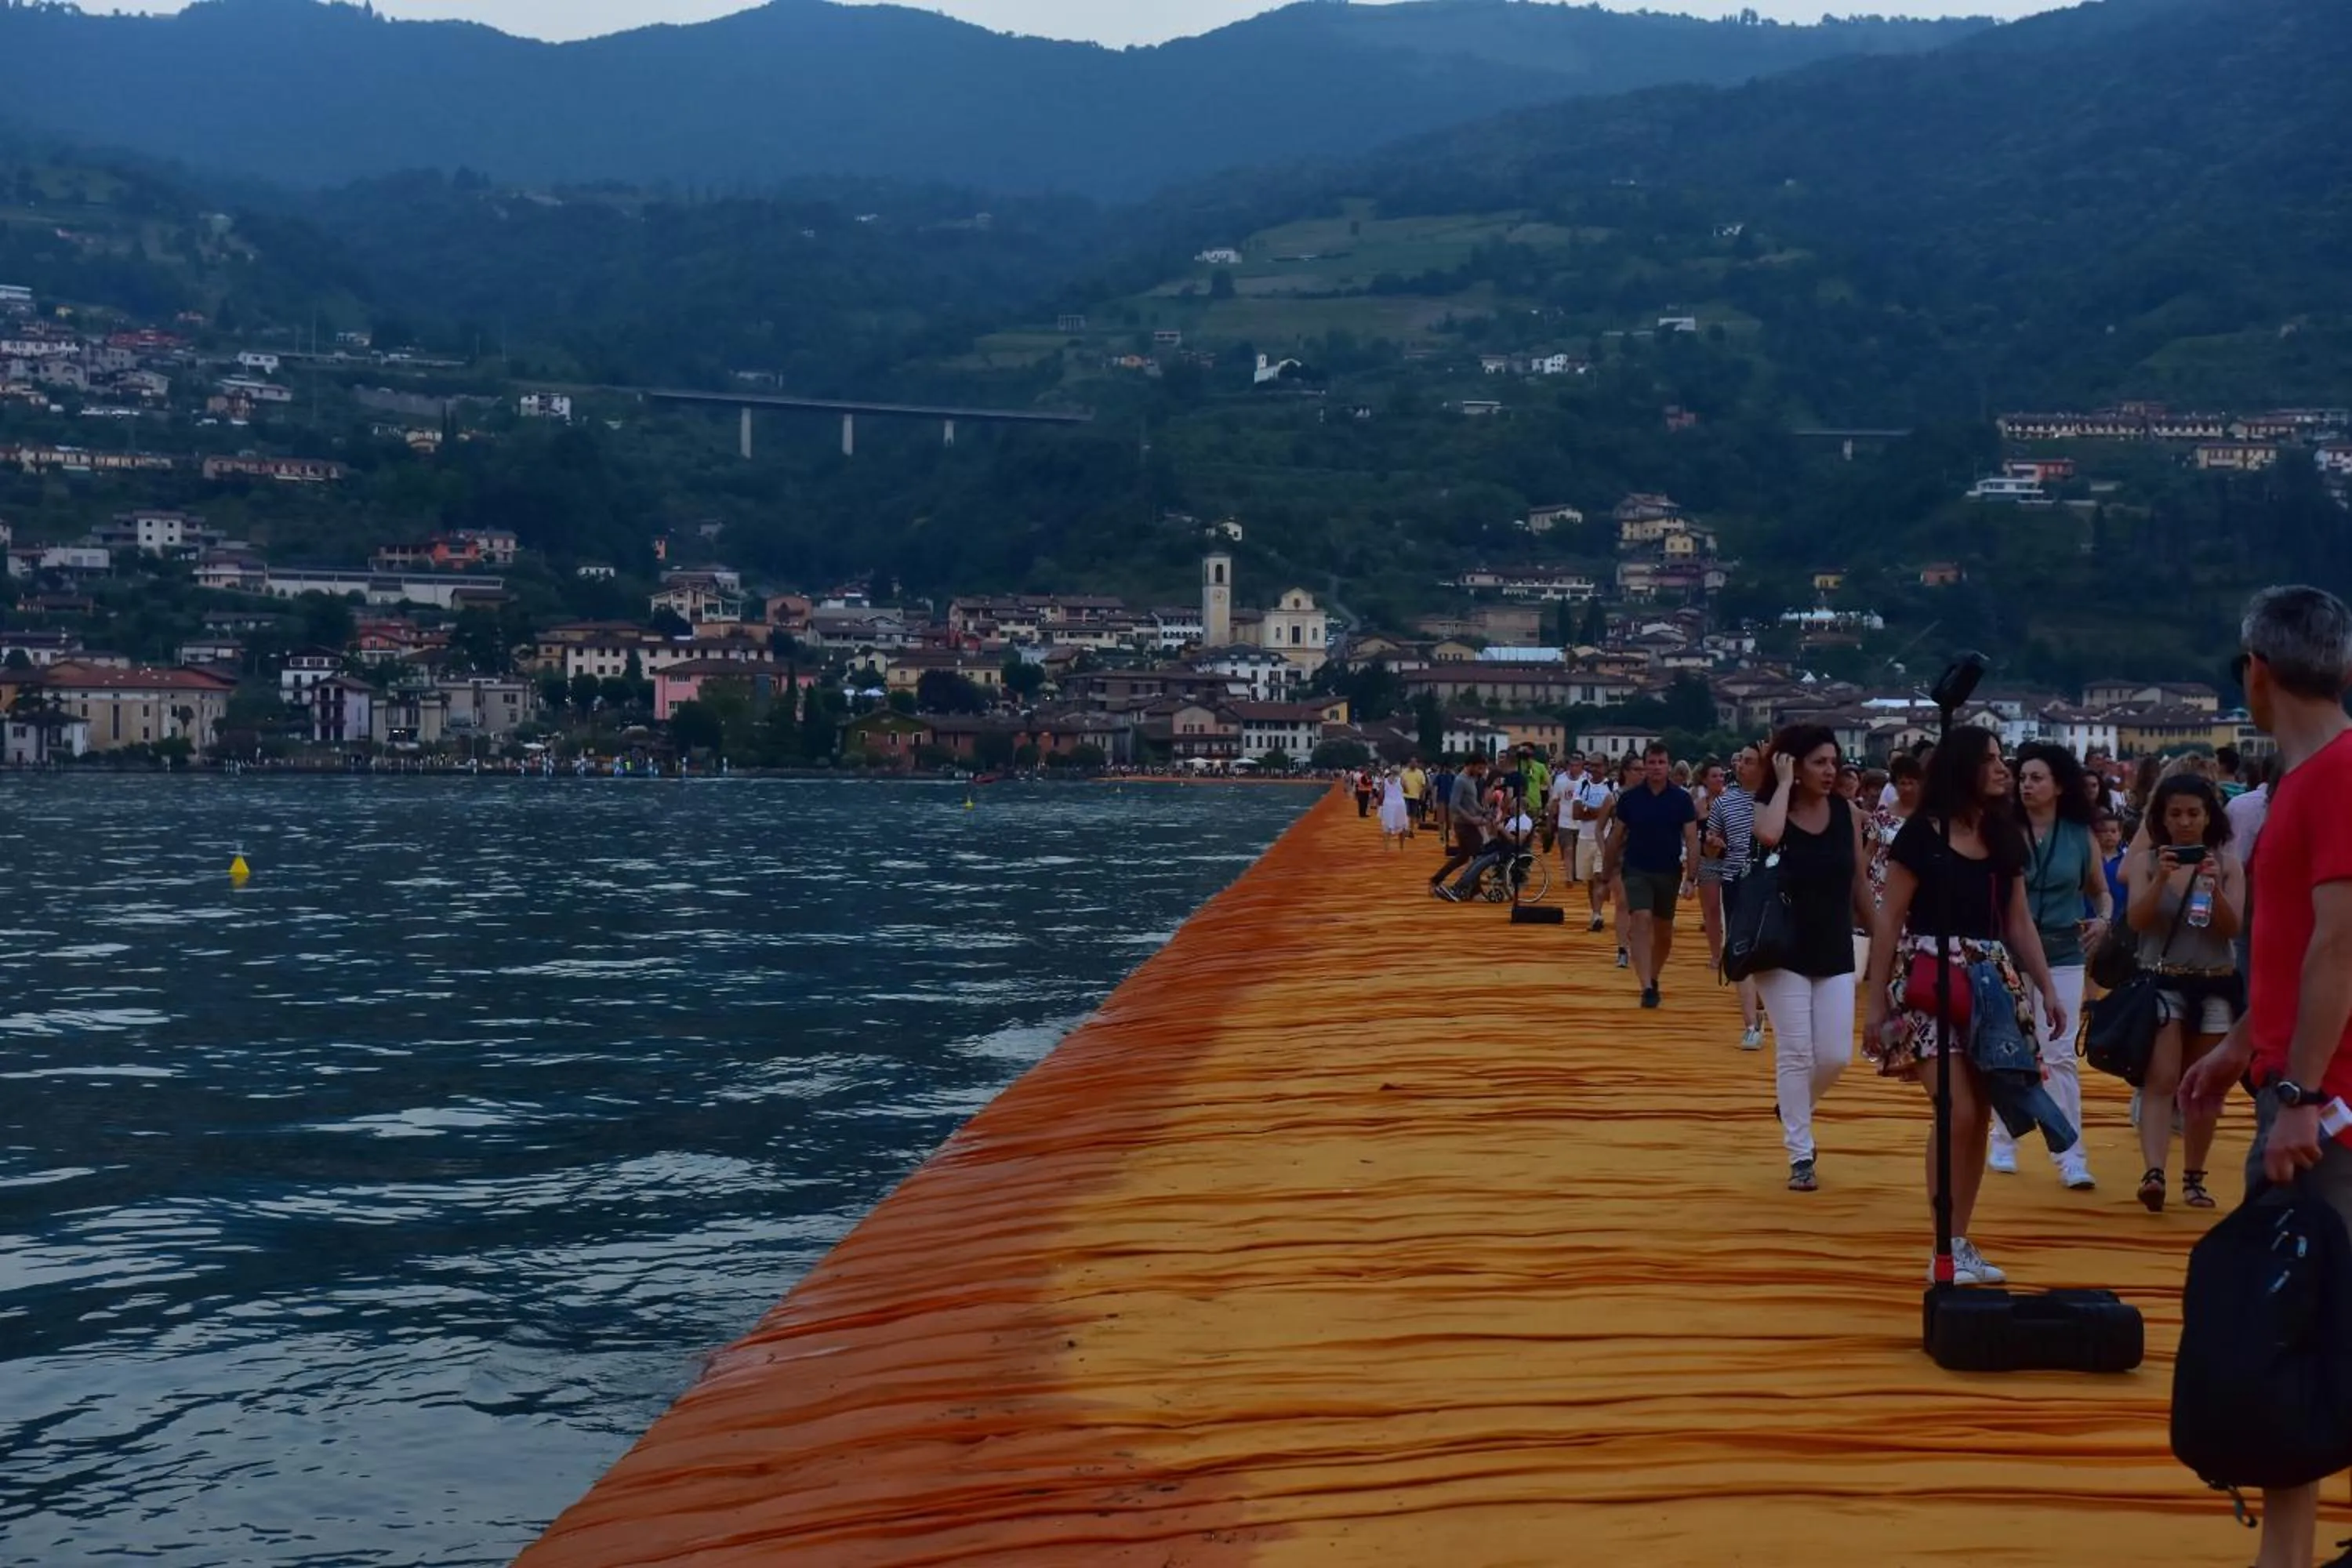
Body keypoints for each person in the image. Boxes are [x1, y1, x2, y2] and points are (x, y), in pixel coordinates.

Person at [2178, 586, 2352, 1568]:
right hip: (2305, 1084)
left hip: (2327, 1109)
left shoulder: (2333, 780)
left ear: (2256, 668)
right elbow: (2297, 954)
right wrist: (2244, 1039)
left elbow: (2341, 948)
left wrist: (2301, 1096)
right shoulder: (2309, 782)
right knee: (2306, 1332)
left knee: (2299, 1329)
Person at [1864, 725, 2070, 1288]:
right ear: (1964, 769)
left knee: (1979, 1113)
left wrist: (2047, 986)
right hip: (1928, 976)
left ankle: (1955, 1241)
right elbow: (1889, 921)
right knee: (1958, 1110)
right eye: (1993, 761)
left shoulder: (2004, 836)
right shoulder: (1919, 836)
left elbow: (2019, 920)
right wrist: (1875, 1000)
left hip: (1988, 981)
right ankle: (1944, 1244)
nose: (2004, 770)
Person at [1751, 726, 1874, 1192]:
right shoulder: (1769, 806)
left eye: (1833, 762)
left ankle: (1794, 1104)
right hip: (1780, 945)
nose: (1830, 771)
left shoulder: (1849, 815)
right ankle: (1800, 1152)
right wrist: (1781, 784)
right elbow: (1767, 835)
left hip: (1834, 944)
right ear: (1795, 765)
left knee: (1836, 1054)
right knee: (1797, 1051)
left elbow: (1859, 884)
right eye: (1819, 762)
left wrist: (1884, 941)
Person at [1989, 742, 2111, 1190]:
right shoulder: (2000, 829)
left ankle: (2071, 1155)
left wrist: (2104, 919)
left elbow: (2100, 890)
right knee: (2007, 1051)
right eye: (2022, 778)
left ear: (2059, 786)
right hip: (2007, 949)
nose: (2026, 785)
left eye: (2036, 778)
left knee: (2059, 1055)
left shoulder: (2080, 835)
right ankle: (2004, 1140)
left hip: (2062, 949)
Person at [2124, 773, 2245, 1212]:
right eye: (2175, 813)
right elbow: (2137, 921)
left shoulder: (2227, 863)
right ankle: (2154, 1171)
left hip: (2215, 981)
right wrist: (2162, 880)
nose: (2185, 822)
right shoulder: (2147, 862)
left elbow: (2233, 929)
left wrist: (2211, 888)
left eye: (2194, 813)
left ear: (2209, 816)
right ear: (2161, 817)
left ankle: (2194, 1176)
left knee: (2204, 1087)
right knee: (2161, 1079)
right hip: (2162, 978)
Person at [1602, 742, 1700, 1009]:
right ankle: (1646, 986)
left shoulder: (1681, 799)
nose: (1656, 767)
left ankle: (1654, 976)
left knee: (1664, 932)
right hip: (1636, 869)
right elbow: (1616, 837)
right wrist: (1606, 872)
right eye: (1652, 762)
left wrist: (1692, 877)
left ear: (1668, 765)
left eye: (1661, 762)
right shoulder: (1631, 799)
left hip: (1669, 871)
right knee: (1641, 919)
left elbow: (1692, 839)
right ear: (1644, 766)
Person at [1700, 748, 1766, 1048]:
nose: (1740, 766)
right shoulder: (1724, 802)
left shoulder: (1780, 801)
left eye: (1749, 761)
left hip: (1773, 884)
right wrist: (1712, 844)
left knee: (1767, 950)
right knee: (1740, 951)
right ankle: (1750, 1024)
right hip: (1735, 881)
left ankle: (1763, 1007)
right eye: (1738, 761)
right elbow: (1710, 848)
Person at [1429, 755, 1495, 900]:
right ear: (1470, 765)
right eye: (1480, 768)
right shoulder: (1460, 780)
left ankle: (1436, 880)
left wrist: (1483, 811)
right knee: (1479, 857)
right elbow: (1454, 805)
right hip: (1464, 825)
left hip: (1469, 824)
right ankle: (1475, 891)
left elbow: (1471, 802)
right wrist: (1472, 818)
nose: (1481, 772)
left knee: (1463, 857)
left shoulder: (1471, 779)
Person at [1866, 753, 1922, 909]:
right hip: (1879, 885)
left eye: (1911, 783)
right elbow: (1869, 851)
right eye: (1902, 783)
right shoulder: (1882, 814)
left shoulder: (1927, 818)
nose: (1907, 788)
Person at [1565, 754, 1614, 921]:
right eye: (1591, 766)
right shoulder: (1582, 785)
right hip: (1585, 837)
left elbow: (1612, 814)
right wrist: (1602, 811)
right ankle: (1595, 911)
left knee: (1599, 875)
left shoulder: (1611, 786)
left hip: (1605, 837)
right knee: (1590, 880)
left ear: (1606, 767)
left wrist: (1590, 810)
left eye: (1598, 765)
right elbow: (1576, 813)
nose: (1594, 769)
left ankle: (1597, 914)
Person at [2095, 810, 2129, 916]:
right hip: (2092, 914)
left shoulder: (2126, 861)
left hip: (2119, 915)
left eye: (2113, 831)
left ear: (2120, 834)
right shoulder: (2091, 860)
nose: (2109, 834)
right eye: (2104, 831)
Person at [1377, 767, 1411, 848]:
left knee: (1387, 826)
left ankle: (1386, 846)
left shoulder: (1385, 781)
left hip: (1388, 805)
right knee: (1402, 825)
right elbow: (1407, 790)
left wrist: (1380, 804)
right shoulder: (1401, 780)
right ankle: (1401, 846)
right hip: (1400, 805)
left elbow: (1381, 795)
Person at [1400, 757, 1429, 830]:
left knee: (1413, 814)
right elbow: (1400, 783)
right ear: (1409, 763)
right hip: (1405, 796)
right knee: (1406, 813)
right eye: (1412, 762)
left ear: (1417, 763)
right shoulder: (1404, 772)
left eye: (1415, 762)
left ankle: (1411, 830)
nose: (1413, 764)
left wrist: (1422, 794)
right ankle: (1405, 829)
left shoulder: (1420, 773)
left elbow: (1424, 785)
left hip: (1415, 796)